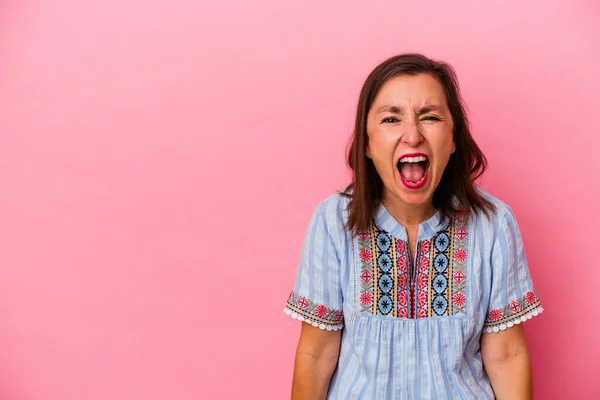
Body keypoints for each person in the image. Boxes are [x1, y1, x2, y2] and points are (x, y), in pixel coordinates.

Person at [283, 53, 543, 399]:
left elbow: (507, 356)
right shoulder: (333, 222)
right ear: (368, 144)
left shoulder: (494, 225)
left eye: (430, 117)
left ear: (453, 139)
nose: (412, 135)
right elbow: (316, 354)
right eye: (391, 119)